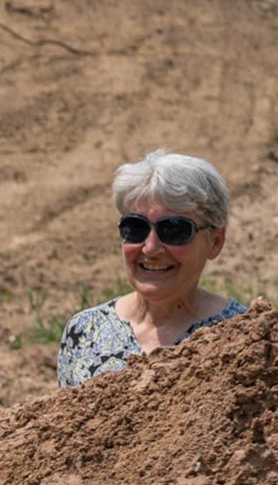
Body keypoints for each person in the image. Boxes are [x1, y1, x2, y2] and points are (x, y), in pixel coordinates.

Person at [56, 151, 246, 388]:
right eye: (135, 228)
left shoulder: (243, 337)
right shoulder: (85, 332)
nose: (151, 248)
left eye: (174, 230)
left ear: (215, 241)